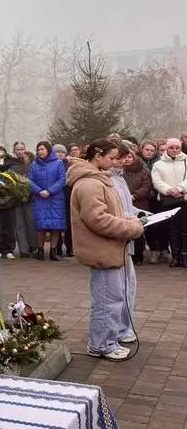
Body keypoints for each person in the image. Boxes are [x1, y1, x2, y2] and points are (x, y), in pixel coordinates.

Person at [69, 139, 145, 361]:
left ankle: (109, 340)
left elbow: (110, 212)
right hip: (101, 251)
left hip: (110, 249)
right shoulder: (89, 184)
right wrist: (130, 228)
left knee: (115, 298)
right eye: (111, 158)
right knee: (107, 301)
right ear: (97, 156)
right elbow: (98, 220)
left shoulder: (99, 179)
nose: (114, 162)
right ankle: (101, 345)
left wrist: (128, 218)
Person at [151, 138, 187, 268]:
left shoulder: (186, 160)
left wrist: (179, 188)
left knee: (185, 230)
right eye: (171, 147)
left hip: (184, 199)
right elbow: (157, 181)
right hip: (168, 200)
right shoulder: (158, 164)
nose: (174, 150)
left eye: (177, 148)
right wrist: (169, 190)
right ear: (167, 148)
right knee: (172, 229)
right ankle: (175, 257)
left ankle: (185, 256)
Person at [29, 140, 67, 260]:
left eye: (42, 149)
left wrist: (50, 191)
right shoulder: (34, 165)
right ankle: (40, 250)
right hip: (40, 198)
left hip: (55, 198)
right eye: (38, 149)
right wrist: (39, 191)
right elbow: (29, 181)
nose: (40, 152)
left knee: (56, 226)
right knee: (41, 226)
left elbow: (62, 180)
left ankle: (53, 251)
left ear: (48, 150)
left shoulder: (58, 163)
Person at [123, 143, 154, 264]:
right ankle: (128, 254)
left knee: (139, 229)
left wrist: (134, 196)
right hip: (124, 204)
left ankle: (139, 255)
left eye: (130, 157)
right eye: (125, 157)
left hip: (140, 203)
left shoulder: (143, 171)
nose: (127, 159)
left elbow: (146, 187)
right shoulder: (120, 172)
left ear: (134, 157)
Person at [140, 140, 169, 263]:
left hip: (159, 196)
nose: (149, 152)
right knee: (149, 224)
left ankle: (163, 248)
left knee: (162, 222)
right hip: (145, 198)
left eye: (152, 150)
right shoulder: (138, 162)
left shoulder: (160, 162)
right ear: (142, 150)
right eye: (147, 150)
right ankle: (153, 250)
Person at [10, 141, 36, 257]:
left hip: (30, 196)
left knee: (31, 222)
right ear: (14, 151)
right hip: (16, 197)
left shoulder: (31, 163)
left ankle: (33, 246)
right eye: (18, 149)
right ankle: (23, 249)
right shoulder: (10, 164)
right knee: (19, 224)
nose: (20, 151)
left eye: (22, 149)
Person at [0, 145, 18, 259]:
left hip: (10, 202)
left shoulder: (11, 165)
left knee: (9, 227)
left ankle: (9, 249)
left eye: (2, 152)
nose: (0, 154)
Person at [52, 144, 73, 258]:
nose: (60, 154)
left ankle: (70, 248)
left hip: (68, 196)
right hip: (56, 196)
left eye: (62, 152)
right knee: (57, 223)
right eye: (57, 152)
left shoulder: (70, 164)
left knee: (69, 223)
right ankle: (58, 248)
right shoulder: (52, 165)